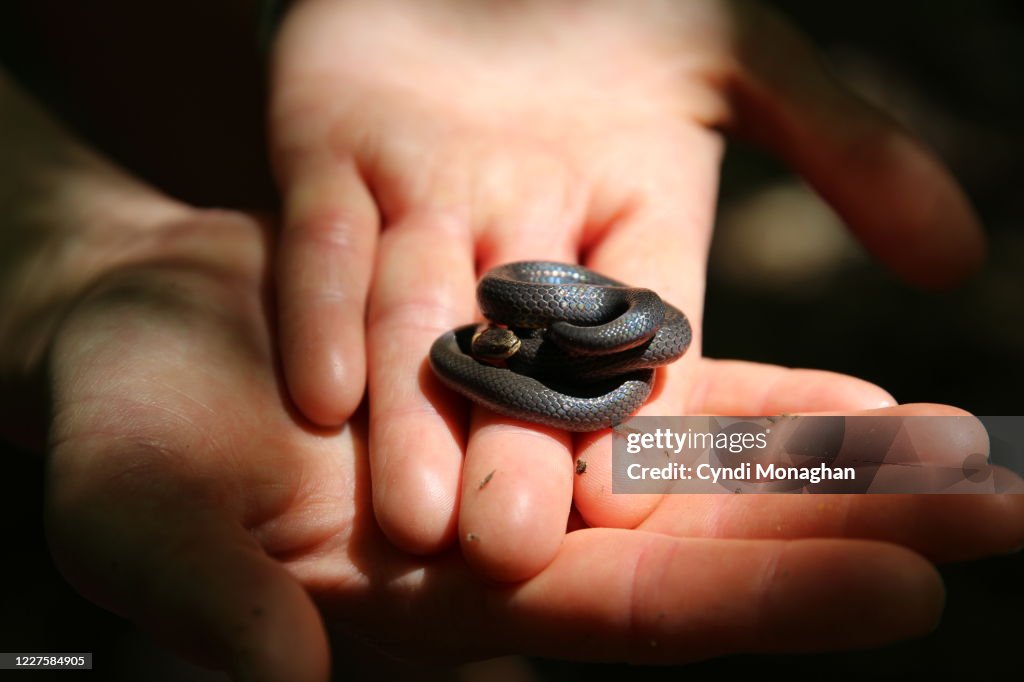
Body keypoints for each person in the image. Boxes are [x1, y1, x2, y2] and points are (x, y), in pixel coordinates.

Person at [0, 2, 1019, 680]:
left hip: (593, 332)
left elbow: (640, 331)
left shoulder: (593, 323)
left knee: (953, 470)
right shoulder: (491, 330)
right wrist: (66, 257)